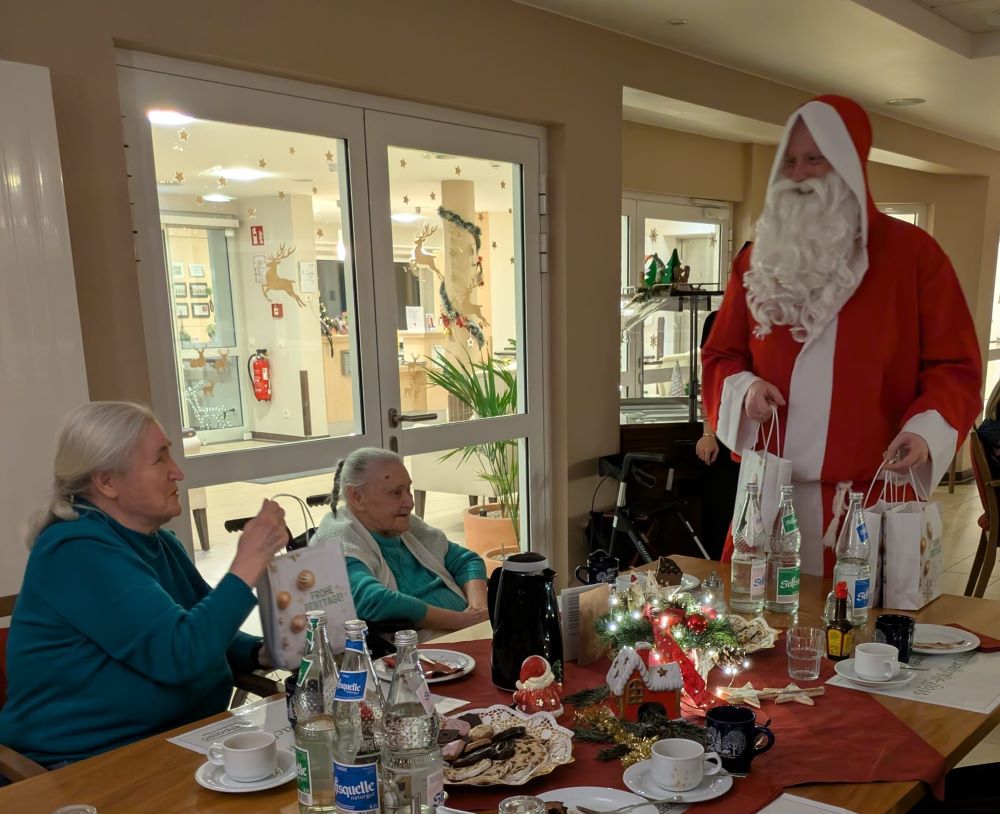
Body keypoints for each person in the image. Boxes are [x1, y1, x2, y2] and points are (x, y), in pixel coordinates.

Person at [702, 95, 982, 576]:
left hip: (868, 503)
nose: (800, 174)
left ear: (850, 164)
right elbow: (721, 354)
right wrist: (744, 389)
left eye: (815, 158)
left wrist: (922, 430)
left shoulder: (914, 256)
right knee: (753, 638)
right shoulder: (756, 261)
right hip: (769, 499)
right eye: (789, 160)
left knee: (860, 642)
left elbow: (954, 368)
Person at [0, 402, 288, 768]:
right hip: (83, 768)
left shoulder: (160, 541)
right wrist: (247, 563)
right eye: (160, 459)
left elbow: (204, 628)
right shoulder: (75, 551)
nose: (178, 473)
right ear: (106, 481)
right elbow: (180, 654)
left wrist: (261, 653)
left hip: (184, 742)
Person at [312, 448, 489, 634]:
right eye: (396, 493)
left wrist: (479, 612)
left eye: (408, 490)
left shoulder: (407, 526)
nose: (409, 502)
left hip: (469, 631)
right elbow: (373, 599)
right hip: (420, 650)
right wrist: (460, 621)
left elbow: (466, 561)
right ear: (357, 497)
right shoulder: (340, 541)